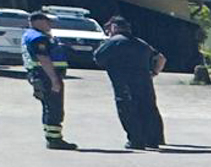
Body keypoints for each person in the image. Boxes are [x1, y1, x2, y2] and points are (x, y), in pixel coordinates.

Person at [91, 17, 168, 150]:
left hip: (124, 84)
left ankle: (136, 141)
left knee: (128, 110)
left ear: (114, 27)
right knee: (148, 109)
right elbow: (161, 58)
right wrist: (154, 73)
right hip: (145, 83)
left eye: (109, 29)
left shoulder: (113, 42)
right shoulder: (141, 43)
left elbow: (98, 58)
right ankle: (153, 140)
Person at [20, 11, 75, 150]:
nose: (50, 24)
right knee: (54, 108)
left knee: (49, 107)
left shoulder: (32, 35)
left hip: (40, 75)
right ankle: (54, 139)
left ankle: (52, 137)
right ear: (38, 21)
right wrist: (54, 80)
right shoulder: (38, 38)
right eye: (47, 21)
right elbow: (43, 59)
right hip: (46, 76)